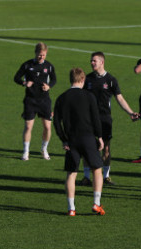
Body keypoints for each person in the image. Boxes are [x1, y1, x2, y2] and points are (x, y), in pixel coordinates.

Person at [78, 51, 139, 187]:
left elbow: (120, 98)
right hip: (89, 119)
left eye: (94, 61)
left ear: (102, 62)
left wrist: (130, 112)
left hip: (105, 119)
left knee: (106, 148)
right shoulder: (87, 79)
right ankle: (86, 177)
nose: (92, 63)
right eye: (91, 61)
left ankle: (106, 176)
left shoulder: (110, 80)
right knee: (88, 148)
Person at [54, 67, 106, 216]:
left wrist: (63, 139)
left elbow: (57, 122)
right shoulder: (89, 96)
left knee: (71, 173)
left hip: (72, 140)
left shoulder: (62, 98)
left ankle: (71, 208)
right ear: (83, 79)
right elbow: (96, 118)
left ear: (71, 79)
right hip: (88, 138)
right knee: (97, 170)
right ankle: (96, 203)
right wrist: (100, 137)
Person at [13, 42, 57, 161]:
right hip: (30, 100)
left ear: (46, 54)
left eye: (43, 55)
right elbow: (16, 77)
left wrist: (49, 86)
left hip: (44, 100)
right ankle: (26, 151)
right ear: (35, 53)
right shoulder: (27, 65)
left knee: (47, 127)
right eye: (39, 55)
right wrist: (24, 83)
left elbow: (54, 79)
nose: (41, 57)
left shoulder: (49, 66)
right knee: (28, 127)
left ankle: (44, 149)